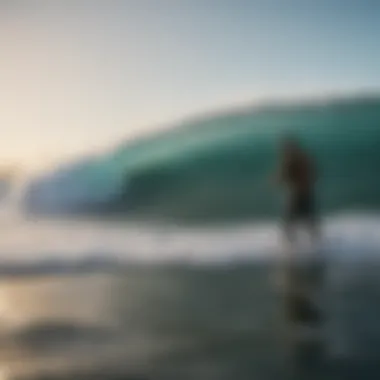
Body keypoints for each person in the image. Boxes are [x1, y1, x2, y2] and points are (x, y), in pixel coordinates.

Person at [273, 135, 319, 247]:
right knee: (309, 219)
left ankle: (290, 247)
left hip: (297, 194)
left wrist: (276, 180)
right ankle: (316, 243)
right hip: (307, 192)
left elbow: (283, 175)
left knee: (289, 221)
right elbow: (313, 173)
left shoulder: (290, 159)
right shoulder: (304, 157)